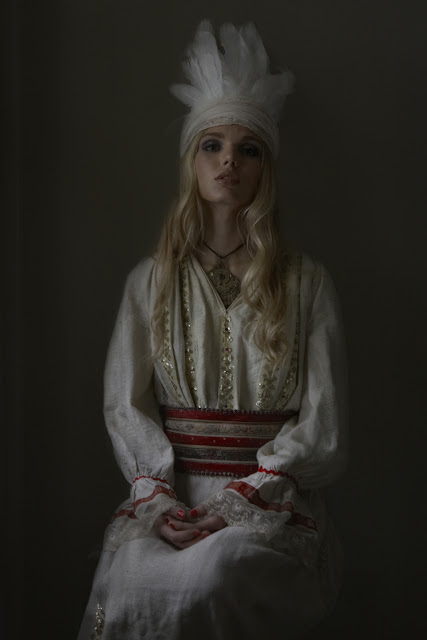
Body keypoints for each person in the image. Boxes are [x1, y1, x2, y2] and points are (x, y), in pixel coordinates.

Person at [77, 20, 348, 640]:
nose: (229, 160)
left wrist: (243, 502)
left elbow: (325, 426)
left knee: (215, 576)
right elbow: (126, 404)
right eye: (213, 145)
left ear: (266, 167)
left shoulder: (306, 283)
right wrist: (159, 502)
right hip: (173, 498)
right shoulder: (150, 281)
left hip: (268, 503)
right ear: (192, 162)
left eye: (249, 149)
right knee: (134, 582)